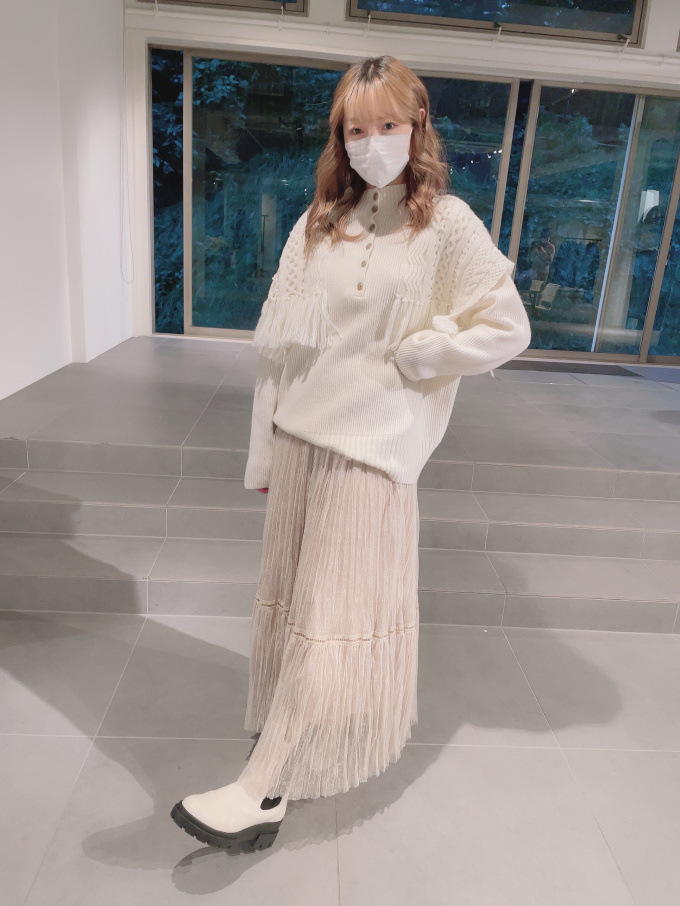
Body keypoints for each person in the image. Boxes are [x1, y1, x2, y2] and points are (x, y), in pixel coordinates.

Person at [172, 55, 531, 854]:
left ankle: (260, 791)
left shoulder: (448, 226)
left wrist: (429, 352)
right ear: (340, 135)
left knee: (328, 616)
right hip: (303, 440)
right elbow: (280, 349)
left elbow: (509, 327)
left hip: (372, 453)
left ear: (417, 125)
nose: (372, 142)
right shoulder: (319, 222)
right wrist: (265, 453)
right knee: (294, 606)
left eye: (387, 125)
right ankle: (286, 745)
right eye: (356, 128)